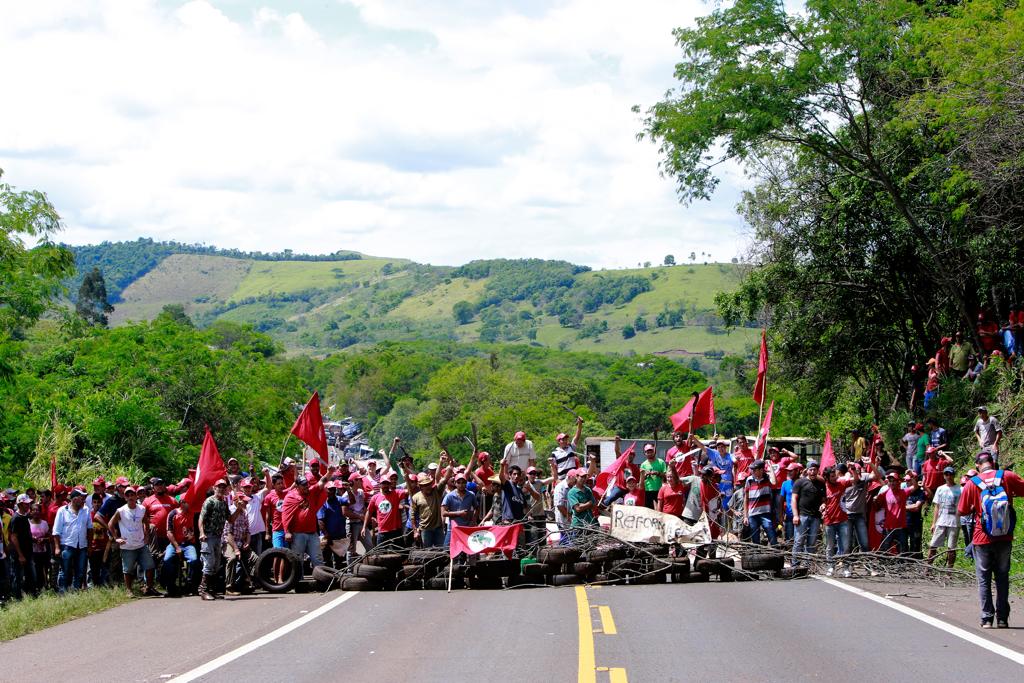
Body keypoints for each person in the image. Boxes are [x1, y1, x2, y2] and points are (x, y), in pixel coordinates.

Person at [957, 452, 1024, 628]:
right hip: (1004, 535)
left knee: (984, 578)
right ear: (993, 463)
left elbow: (962, 510)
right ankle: (1002, 619)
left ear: (978, 465)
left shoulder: (973, 483)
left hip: (982, 537)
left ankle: (987, 618)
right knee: (1002, 577)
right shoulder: (1007, 476)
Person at [108, 486, 160, 596]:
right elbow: (110, 524)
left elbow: (146, 522)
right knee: (128, 569)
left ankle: (149, 587)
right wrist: (116, 538)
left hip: (141, 544)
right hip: (127, 545)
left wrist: (146, 535)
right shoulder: (121, 511)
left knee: (150, 566)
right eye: (128, 495)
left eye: (132, 495)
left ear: (136, 496)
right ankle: (129, 590)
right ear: (125, 497)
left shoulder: (141, 509)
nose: (130, 497)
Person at [283, 469, 335, 570]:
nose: (306, 486)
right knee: (298, 560)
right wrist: (287, 531)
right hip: (298, 534)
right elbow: (285, 516)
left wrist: (329, 472)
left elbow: (322, 481)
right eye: (303, 485)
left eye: (307, 484)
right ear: (297, 487)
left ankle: (321, 582)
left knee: (318, 559)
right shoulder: (290, 497)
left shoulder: (311, 492)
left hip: (312, 533)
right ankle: (299, 582)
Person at [198, 479, 238, 601]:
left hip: (218, 536)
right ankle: (203, 591)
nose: (221, 489)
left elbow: (230, 520)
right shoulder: (209, 501)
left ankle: (211, 590)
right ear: (214, 488)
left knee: (216, 565)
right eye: (219, 487)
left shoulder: (224, 503)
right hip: (208, 536)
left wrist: (239, 509)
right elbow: (201, 518)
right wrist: (202, 533)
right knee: (209, 564)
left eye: (223, 487)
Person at [53, 488, 91, 592]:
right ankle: (62, 592)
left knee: (80, 571)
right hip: (67, 545)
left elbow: (89, 529)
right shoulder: (62, 511)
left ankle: (76, 592)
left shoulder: (86, 510)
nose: (83, 500)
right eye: (81, 498)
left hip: (82, 546)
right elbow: (56, 531)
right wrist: (57, 547)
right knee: (65, 571)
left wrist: (89, 546)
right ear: (74, 499)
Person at [791, 460, 824, 567]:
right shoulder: (799, 482)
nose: (813, 472)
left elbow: (824, 499)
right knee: (799, 541)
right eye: (811, 469)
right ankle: (795, 565)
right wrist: (795, 515)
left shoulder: (821, 483)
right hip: (802, 516)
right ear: (807, 470)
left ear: (818, 470)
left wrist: (824, 505)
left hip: (815, 517)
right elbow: (794, 499)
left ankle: (807, 565)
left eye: (815, 470)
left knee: (812, 542)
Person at [162, 500, 198, 597]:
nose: (189, 504)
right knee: (167, 560)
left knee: (194, 560)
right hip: (174, 544)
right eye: (187, 502)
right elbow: (169, 532)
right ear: (181, 503)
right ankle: (170, 586)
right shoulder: (173, 514)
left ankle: (190, 584)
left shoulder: (192, 512)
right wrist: (177, 547)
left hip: (188, 544)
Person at [928, 467, 961, 569]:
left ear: (953, 475)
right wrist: (934, 523)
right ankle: (928, 567)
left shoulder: (960, 489)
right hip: (941, 521)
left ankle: (949, 570)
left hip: (954, 522)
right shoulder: (940, 489)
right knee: (933, 545)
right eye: (946, 474)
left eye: (950, 474)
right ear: (944, 475)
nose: (948, 476)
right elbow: (937, 507)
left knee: (951, 548)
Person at [364, 475, 406, 547]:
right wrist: (364, 527)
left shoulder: (396, 493)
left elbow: (409, 491)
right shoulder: (375, 498)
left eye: (387, 483)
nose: (386, 485)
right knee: (380, 555)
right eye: (384, 483)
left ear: (390, 484)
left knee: (401, 554)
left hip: (396, 531)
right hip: (382, 532)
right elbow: (369, 511)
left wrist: (407, 476)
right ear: (380, 485)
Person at [742, 460, 777, 546]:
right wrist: (745, 516)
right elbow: (746, 498)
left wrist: (770, 466)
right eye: (752, 470)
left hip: (765, 512)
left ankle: (776, 552)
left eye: (755, 469)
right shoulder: (749, 480)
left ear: (761, 470)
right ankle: (757, 555)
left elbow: (774, 482)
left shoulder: (767, 478)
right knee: (755, 537)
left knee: (770, 531)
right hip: (752, 514)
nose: (752, 471)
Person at [412, 469, 449, 548]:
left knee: (441, 550)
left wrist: (450, 467)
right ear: (421, 487)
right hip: (425, 529)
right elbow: (413, 515)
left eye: (428, 484)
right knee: (426, 552)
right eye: (425, 485)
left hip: (438, 528)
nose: (427, 487)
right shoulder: (416, 497)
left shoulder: (436, 492)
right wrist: (415, 531)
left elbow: (444, 480)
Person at [142, 477, 178, 557]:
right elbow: (143, 520)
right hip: (153, 537)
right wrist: (146, 535)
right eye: (157, 485)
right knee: (153, 558)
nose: (160, 486)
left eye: (161, 484)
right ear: (153, 487)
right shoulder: (147, 501)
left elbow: (178, 518)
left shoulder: (173, 500)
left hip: (169, 536)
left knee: (168, 559)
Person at [224, 494, 252, 595]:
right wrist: (236, 549)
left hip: (241, 542)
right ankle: (229, 586)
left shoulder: (244, 513)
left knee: (255, 558)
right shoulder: (231, 512)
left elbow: (248, 531)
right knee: (232, 558)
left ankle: (245, 582)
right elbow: (228, 534)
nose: (247, 503)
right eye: (244, 501)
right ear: (237, 502)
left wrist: (247, 542)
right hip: (229, 543)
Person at [877, 470, 909, 555]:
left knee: (903, 551)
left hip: (901, 527)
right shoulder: (884, 493)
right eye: (890, 481)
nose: (892, 483)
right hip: (888, 527)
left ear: (898, 482)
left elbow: (915, 486)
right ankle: (883, 567)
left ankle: (903, 567)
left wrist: (911, 475)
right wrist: (875, 499)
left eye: (894, 481)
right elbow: (877, 504)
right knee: (884, 550)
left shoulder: (904, 492)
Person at [441, 472, 478, 545]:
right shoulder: (449, 496)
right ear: (455, 483)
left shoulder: (471, 495)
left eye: (463, 482)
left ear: (466, 483)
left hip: (467, 528)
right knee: (447, 549)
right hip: (452, 528)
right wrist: (459, 513)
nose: (461, 485)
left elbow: (477, 508)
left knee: (466, 550)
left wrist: (473, 521)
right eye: (459, 482)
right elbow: (444, 513)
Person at [318, 481, 348, 568]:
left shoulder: (339, 499)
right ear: (326, 490)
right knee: (326, 560)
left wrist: (349, 489)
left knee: (340, 560)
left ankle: (339, 579)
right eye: (330, 489)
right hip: (327, 537)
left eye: (333, 489)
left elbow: (352, 501)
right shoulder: (323, 503)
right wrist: (328, 536)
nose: (331, 491)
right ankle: (328, 579)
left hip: (339, 536)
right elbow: (320, 522)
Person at [523, 465, 553, 545]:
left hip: (541, 515)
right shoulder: (524, 485)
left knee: (542, 538)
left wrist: (553, 467)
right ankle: (533, 555)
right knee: (533, 538)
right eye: (531, 473)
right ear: (527, 475)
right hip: (531, 516)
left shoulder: (539, 482)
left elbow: (554, 478)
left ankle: (542, 555)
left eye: (534, 473)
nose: (533, 475)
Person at [341, 473, 368, 560]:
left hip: (361, 523)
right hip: (352, 524)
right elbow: (345, 512)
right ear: (353, 481)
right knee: (352, 548)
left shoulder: (361, 492)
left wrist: (364, 515)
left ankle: (369, 564)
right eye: (358, 479)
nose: (361, 480)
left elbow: (363, 506)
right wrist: (359, 516)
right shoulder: (345, 495)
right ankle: (350, 571)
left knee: (369, 545)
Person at [262, 473, 288, 549]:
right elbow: (268, 516)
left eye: (282, 483)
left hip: (288, 530)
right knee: (278, 554)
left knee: (287, 555)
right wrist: (267, 533)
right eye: (278, 484)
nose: (281, 485)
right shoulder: (269, 497)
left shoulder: (287, 493)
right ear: (273, 485)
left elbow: (295, 484)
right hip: (277, 530)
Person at [29, 503, 50, 593]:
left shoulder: (44, 523)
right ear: (30, 512)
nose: (36, 512)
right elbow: (25, 537)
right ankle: (35, 588)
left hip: (44, 551)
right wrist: (32, 539)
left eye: (38, 510)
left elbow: (50, 537)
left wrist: (44, 540)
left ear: (40, 512)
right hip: (32, 551)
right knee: (35, 570)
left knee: (44, 569)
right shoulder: (28, 523)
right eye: (34, 510)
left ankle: (44, 586)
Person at [904, 472, 926, 559]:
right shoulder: (905, 491)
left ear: (915, 480)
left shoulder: (920, 493)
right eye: (905, 480)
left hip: (915, 522)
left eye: (909, 480)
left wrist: (902, 507)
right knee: (903, 543)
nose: (907, 482)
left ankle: (915, 562)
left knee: (916, 543)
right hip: (904, 522)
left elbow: (916, 507)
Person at [779, 463, 802, 543]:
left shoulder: (803, 482)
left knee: (801, 539)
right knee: (790, 539)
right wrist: (781, 516)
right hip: (789, 516)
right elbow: (781, 501)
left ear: (797, 471)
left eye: (791, 471)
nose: (788, 473)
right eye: (787, 471)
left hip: (803, 516)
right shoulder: (785, 484)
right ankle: (790, 555)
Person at [639, 443, 667, 509]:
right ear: (644, 453)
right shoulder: (643, 465)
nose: (649, 453)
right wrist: (645, 475)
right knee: (649, 510)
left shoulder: (661, 462)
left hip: (659, 490)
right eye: (647, 451)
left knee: (660, 510)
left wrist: (658, 473)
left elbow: (666, 476)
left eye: (651, 451)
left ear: (654, 451)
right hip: (647, 491)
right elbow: (641, 480)